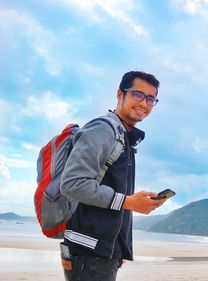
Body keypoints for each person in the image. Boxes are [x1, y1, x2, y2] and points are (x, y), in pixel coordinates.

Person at [59, 71, 167, 281]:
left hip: (102, 251)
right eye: (137, 94)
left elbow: (114, 196)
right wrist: (128, 202)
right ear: (120, 94)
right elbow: (72, 183)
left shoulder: (124, 136)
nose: (144, 103)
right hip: (88, 252)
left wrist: (119, 245)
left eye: (150, 99)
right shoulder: (102, 130)